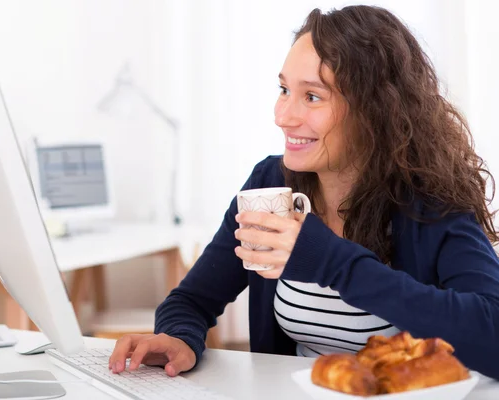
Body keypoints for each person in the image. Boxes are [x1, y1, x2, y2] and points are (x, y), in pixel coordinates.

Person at [109, 5, 499, 380]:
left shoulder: (431, 200)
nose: (283, 116)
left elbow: (492, 335)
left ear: (377, 110)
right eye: (283, 89)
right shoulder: (269, 184)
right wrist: (180, 338)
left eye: (312, 96)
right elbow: (191, 301)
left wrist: (330, 260)